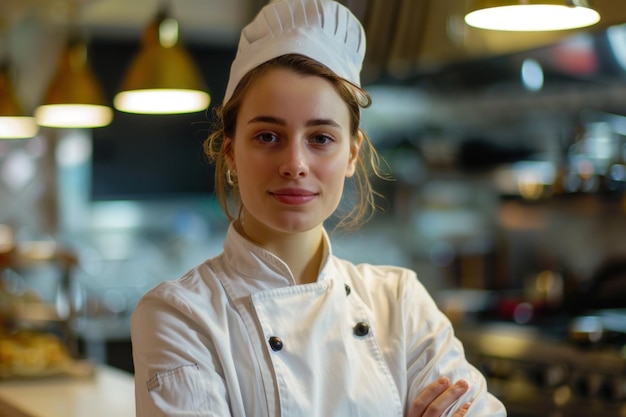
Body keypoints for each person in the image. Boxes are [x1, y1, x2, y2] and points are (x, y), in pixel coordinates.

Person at [130, 0, 507, 416]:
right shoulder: (179, 316)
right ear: (231, 151)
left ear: (351, 154)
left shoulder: (400, 301)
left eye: (321, 138)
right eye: (268, 137)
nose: (294, 164)